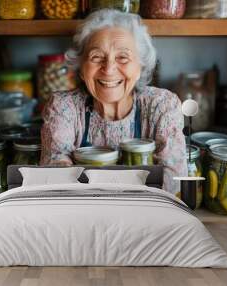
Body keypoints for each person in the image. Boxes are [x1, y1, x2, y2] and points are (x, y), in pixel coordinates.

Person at [40, 9, 187, 195]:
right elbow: (56, 181)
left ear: (140, 67)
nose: (109, 69)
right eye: (96, 57)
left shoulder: (162, 106)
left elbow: (172, 183)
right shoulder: (63, 107)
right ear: (81, 68)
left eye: (123, 57)